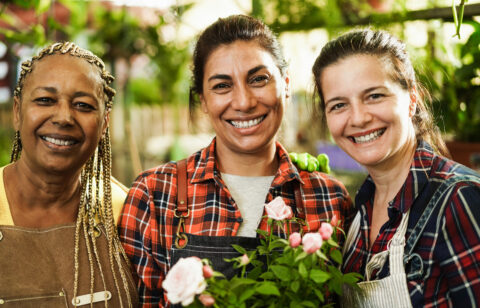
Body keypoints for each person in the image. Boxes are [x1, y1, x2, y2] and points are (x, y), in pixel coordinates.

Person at [118, 14, 354, 307]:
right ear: (203, 100)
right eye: (221, 86)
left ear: (286, 84)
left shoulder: (329, 197)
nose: (243, 102)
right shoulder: (154, 195)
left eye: (258, 79)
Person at [311, 29, 480, 307]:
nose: (359, 118)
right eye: (339, 105)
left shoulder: (460, 198)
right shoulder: (356, 212)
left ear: (412, 99)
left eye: (374, 96)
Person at [1, 42, 138, 307]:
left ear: (104, 124)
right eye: (45, 100)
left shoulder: (126, 210)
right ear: (17, 112)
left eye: (83, 105)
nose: (64, 117)